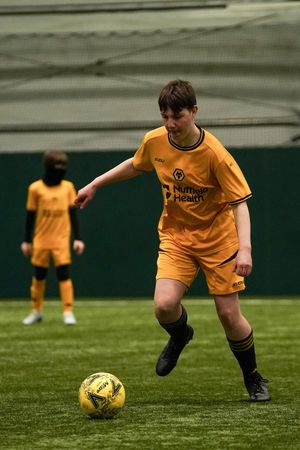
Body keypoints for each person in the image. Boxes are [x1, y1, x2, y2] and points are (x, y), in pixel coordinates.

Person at [75, 79, 270, 401]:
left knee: (228, 315)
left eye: (177, 116)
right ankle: (180, 336)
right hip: (176, 237)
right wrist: (96, 183)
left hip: (219, 241)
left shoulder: (215, 154)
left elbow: (240, 204)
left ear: (194, 112)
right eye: (165, 116)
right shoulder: (155, 141)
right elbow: (137, 165)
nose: (170, 124)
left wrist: (245, 249)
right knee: (164, 306)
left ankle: (252, 376)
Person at [21, 150, 85, 325]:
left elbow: (73, 214)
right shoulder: (35, 189)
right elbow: (30, 216)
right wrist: (26, 241)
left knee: (64, 275)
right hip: (41, 239)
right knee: (39, 276)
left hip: (61, 239)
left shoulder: (67, 187)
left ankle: (68, 311)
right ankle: (36, 311)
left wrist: (77, 238)